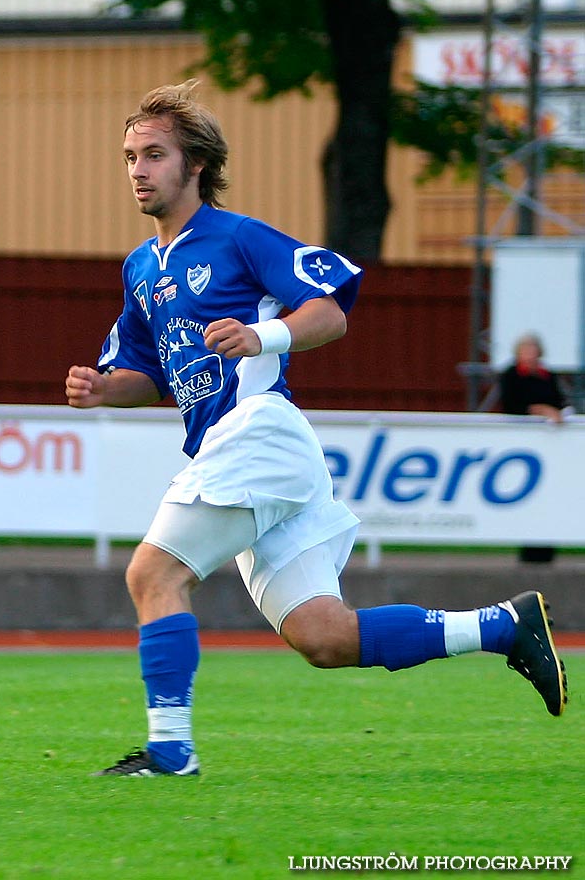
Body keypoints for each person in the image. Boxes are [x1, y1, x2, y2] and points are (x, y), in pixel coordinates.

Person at [64, 81, 568, 777]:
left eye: (154, 155)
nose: (138, 170)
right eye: (130, 156)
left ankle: (171, 752)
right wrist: (101, 390)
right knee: (324, 637)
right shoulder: (142, 268)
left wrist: (262, 335)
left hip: (259, 432)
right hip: (242, 447)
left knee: (154, 574)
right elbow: (146, 376)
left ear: (196, 166)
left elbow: (329, 312)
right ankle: (502, 626)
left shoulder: (239, 237)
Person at [497, 333, 570, 563]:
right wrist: (539, 410)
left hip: (548, 447)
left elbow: (560, 402)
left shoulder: (548, 375)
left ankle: (546, 548)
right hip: (522, 446)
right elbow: (511, 404)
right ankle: (528, 550)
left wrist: (558, 413)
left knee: (547, 496)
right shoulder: (511, 375)